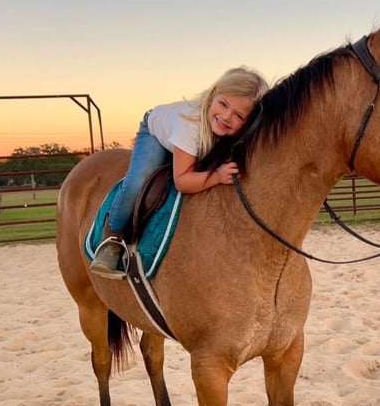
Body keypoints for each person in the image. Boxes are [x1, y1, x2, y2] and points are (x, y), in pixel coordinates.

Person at [90, 66, 269, 279]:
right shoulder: (190, 124)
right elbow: (182, 181)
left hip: (197, 139)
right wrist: (217, 176)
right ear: (213, 95)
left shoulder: (229, 128)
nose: (227, 117)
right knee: (138, 181)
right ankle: (112, 237)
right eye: (223, 104)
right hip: (156, 133)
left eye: (239, 115)